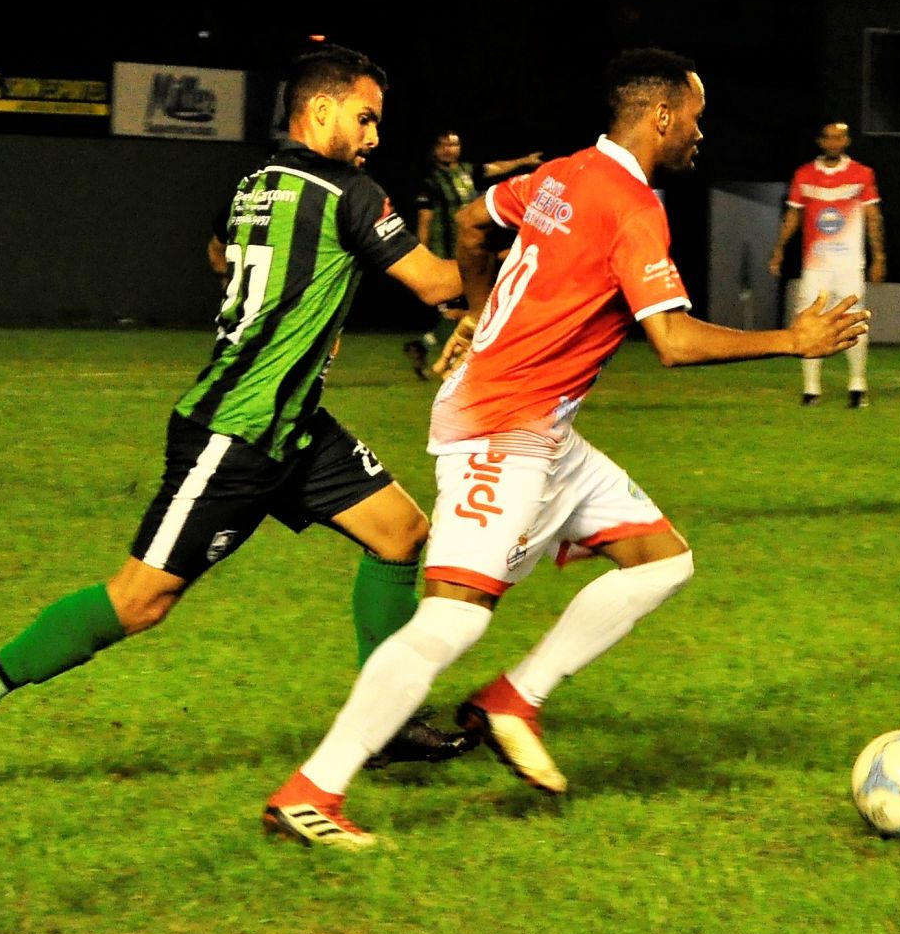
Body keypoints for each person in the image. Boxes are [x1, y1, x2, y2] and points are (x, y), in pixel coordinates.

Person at [260, 48, 869, 849]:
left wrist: (482, 314)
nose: (699, 133)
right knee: (452, 621)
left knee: (662, 561)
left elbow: (473, 224)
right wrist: (792, 340)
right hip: (499, 428)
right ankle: (311, 792)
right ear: (661, 117)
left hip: (544, 428)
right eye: (694, 118)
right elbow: (673, 341)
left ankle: (514, 699)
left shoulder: (563, 174)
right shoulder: (632, 206)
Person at [0, 44, 477, 791]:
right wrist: (504, 245)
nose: (374, 136)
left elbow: (220, 255)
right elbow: (437, 283)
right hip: (235, 432)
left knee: (399, 532)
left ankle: (386, 719)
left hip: (293, 424)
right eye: (365, 118)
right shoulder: (349, 192)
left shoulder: (255, 184)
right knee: (140, 601)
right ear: (320, 109)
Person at [403, 131, 543, 379]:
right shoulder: (431, 180)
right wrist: (421, 253)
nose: (449, 149)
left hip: (472, 252)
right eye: (444, 145)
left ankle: (426, 347)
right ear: (434, 149)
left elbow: (496, 167)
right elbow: (425, 219)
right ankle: (440, 354)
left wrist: (524, 161)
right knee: (459, 311)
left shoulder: (467, 172)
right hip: (446, 254)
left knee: (465, 310)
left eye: (454, 144)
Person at [767, 121, 885, 408]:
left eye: (839, 137)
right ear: (821, 142)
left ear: (846, 141)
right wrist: (779, 250)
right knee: (809, 321)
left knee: (854, 321)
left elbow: (873, 216)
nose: (834, 142)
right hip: (815, 266)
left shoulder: (862, 174)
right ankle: (811, 390)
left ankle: (857, 386)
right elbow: (792, 217)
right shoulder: (804, 174)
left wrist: (879, 256)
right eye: (829, 138)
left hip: (849, 265)